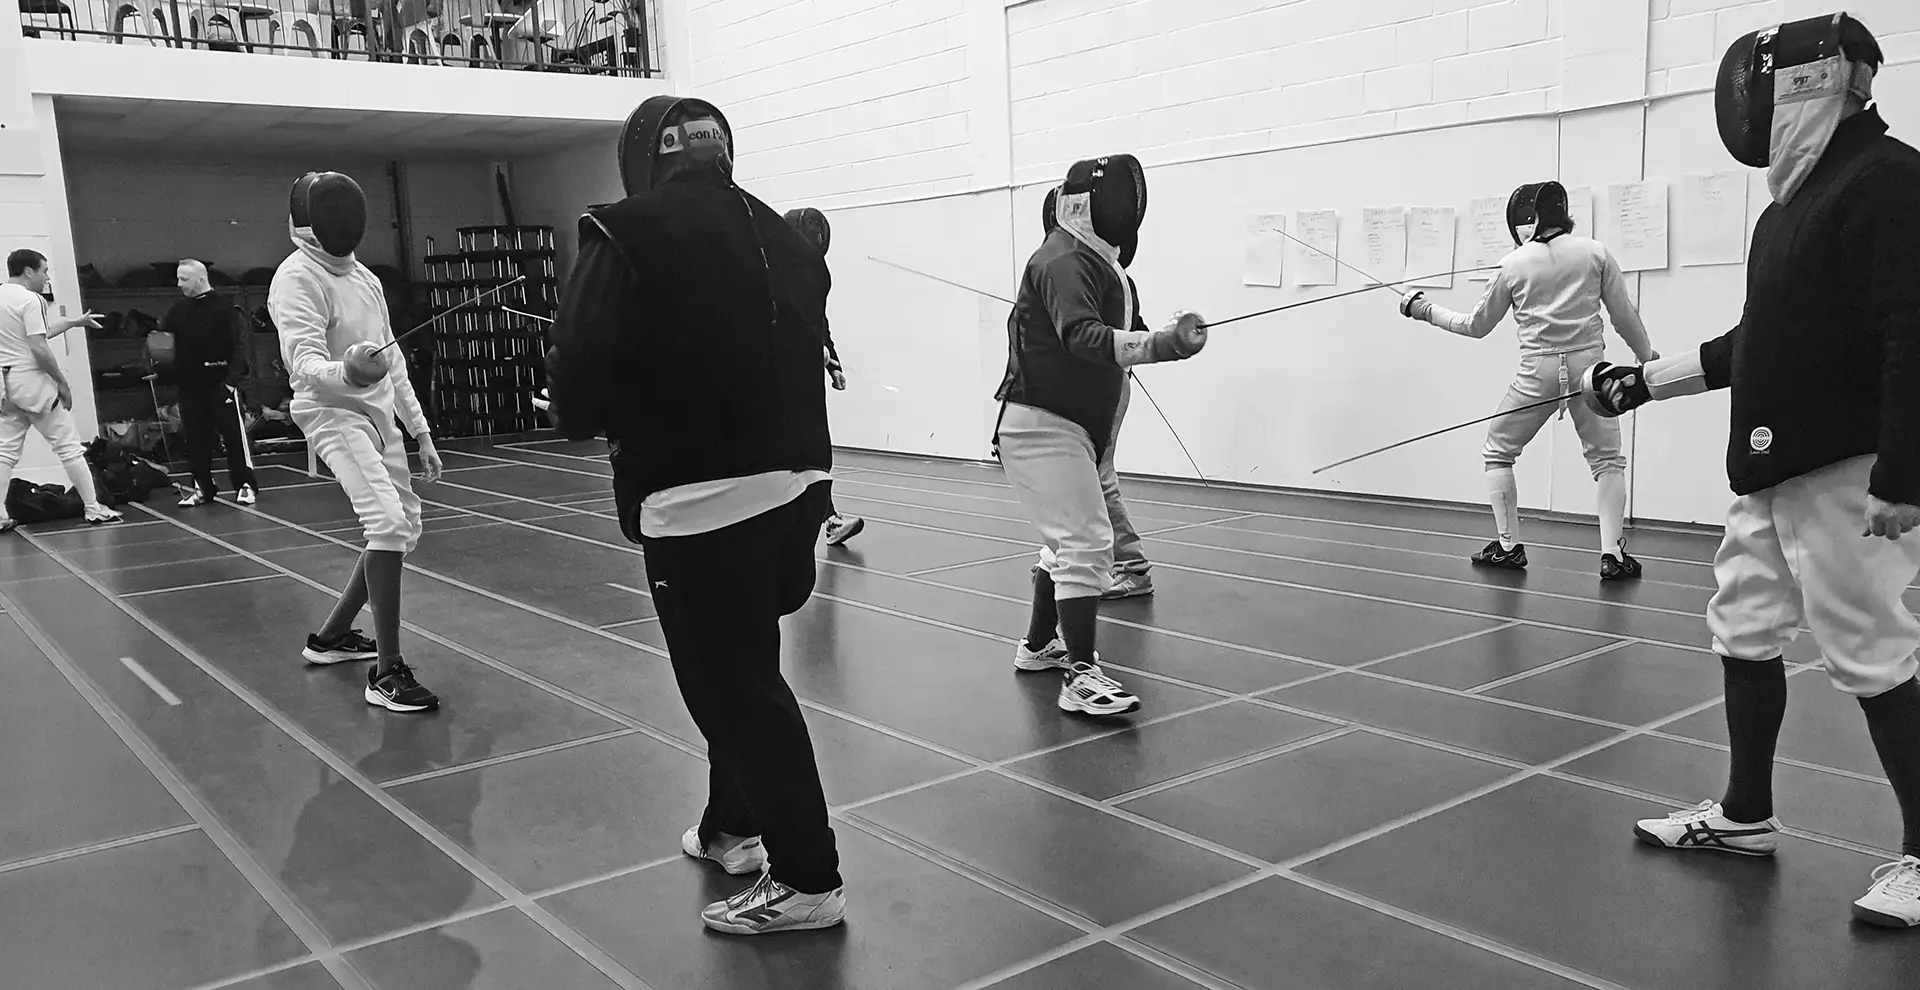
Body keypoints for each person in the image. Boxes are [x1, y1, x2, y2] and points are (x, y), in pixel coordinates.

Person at [1585, 13, 1920, 929]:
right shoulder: (1789, 208)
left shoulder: (1890, 181)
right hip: (1773, 469)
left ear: (1813, 82)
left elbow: (1913, 326)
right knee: (1742, 627)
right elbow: (1760, 340)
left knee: (1870, 648)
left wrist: (1905, 471)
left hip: (1852, 467)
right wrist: (1648, 380)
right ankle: (1744, 816)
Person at [544, 95, 845, 936]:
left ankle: (808, 878)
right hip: (799, 493)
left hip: (700, 501)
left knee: (734, 689)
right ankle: (731, 829)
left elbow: (578, 373)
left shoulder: (622, 231)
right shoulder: (787, 235)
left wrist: (577, 405)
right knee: (746, 661)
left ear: (645, 155)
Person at [995, 155, 1208, 717]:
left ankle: (1039, 646)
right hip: (1044, 425)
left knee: (1065, 542)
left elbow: (1127, 334)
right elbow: (1082, 336)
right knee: (1088, 541)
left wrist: (1170, 338)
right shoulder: (1062, 259)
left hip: (1068, 425)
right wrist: (1157, 345)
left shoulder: (1094, 263)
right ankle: (1080, 674)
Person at [1396, 180, 1659, 581]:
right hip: (1591, 371)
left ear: (1525, 220)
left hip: (1538, 372)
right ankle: (1613, 555)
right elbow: (1624, 316)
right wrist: (1647, 358)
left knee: (1498, 452)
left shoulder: (1513, 264)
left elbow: (1476, 325)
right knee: (1608, 460)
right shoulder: (1595, 253)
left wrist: (1424, 309)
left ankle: (1508, 548)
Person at [269, 171, 443, 713]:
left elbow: (393, 361)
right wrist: (346, 371)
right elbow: (303, 363)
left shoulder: (364, 278)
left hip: (378, 414)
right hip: (332, 413)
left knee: (402, 528)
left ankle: (333, 636)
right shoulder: (296, 278)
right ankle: (386, 671)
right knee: (386, 525)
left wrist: (420, 430)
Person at [1042, 186, 1154, 599]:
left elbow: (1125, 336)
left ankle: (1131, 566)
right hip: (1085, 390)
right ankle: (1071, 558)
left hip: (1102, 390)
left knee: (1098, 476)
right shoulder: (1077, 272)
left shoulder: (1106, 276)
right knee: (1074, 476)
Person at [0, 248, 122, 531]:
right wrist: (61, 382)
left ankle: (0, 515)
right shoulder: (31, 299)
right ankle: (93, 507)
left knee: (4, 452)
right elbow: (38, 346)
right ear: (28, 271)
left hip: (5, 385)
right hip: (32, 384)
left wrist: (73, 322)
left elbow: (34, 335)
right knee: (69, 447)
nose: (47, 277)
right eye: (44, 270)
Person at [783, 206, 865, 547]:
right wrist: (801, 345)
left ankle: (829, 519)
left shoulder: (817, 272)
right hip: (777, 375)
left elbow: (819, 321)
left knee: (814, 449)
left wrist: (834, 365)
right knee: (789, 453)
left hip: (805, 376)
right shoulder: (770, 269)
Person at [165, 259, 258, 507]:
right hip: (189, 387)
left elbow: (240, 348)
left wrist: (231, 383)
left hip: (220, 385)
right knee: (195, 440)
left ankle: (245, 485)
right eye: (178, 278)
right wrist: (157, 365)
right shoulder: (177, 311)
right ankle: (202, 487)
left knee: (233, 438)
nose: (179, 284)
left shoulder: (227, 309)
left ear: (201, 279)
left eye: (184, 279)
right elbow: (163, 342)